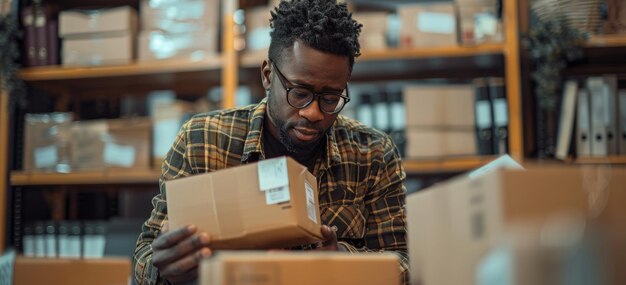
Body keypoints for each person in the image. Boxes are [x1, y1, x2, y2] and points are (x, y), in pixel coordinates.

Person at [133, 0, 408, 284]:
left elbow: (403, 264)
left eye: (330, 98)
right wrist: (164, 268)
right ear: (267, 75)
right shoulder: (202, 141)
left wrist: (341, 259)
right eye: (299, 93)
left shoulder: (373, 154)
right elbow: (144, 255)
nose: (313, 113)